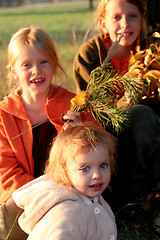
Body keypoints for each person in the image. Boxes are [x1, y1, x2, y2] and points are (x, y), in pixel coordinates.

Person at [0, 26, 99, 240]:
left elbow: (99, 154)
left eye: (43, 62)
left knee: (69, 220)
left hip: (72, 194)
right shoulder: (4, 115)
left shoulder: (73, 105)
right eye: (27, 65)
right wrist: (44, 193)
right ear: (13, 71)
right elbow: (6, 170)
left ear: (54, 64)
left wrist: (81, 134)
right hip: (24, 197)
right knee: (5, 228)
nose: (36, 70)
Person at [73, 0, 160, 210]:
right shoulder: (90, 55)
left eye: (133, 16)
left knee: (141, 116)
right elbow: (89, 105)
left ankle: (139, 192)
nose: (125, 24)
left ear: (143, 20)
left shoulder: (152, 52)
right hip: (103, 131)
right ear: (103, 23)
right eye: (116, 17)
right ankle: (115, 193)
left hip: (146, 137)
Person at [12, 123, 117, 240]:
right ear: (64, 170)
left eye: (103, 165)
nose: (97, 175)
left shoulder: (93, 199)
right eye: (85, 168)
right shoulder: (65, 216)